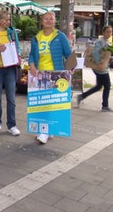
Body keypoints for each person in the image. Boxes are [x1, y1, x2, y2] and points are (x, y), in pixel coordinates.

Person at [28, 12, 72, 144]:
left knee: (50, 104)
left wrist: (69, 71)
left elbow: (69, 54)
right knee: (42, 103)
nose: (48, 21)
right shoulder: (36, 38)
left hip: (55, 75)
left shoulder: (60, 37)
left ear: (54, 21)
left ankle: (44, 131)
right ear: (42, 21)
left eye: (51, 19)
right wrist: (32, 66)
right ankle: (47, 129)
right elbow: (31, 55)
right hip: (39, 75)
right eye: (45, 19)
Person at [0, 10, 21, 137]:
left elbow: (17, 46)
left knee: (11, 98)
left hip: (10, 67)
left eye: (9, 20)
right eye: (6, 20)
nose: (8, 22)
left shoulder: (12, 32)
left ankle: (12, 124)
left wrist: (18, 56)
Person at [77, 26, 113, 113]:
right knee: (107, 86)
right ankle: (105, 106)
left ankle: (82, 96)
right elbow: (95, 53)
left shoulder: (105, 41)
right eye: (108, 32)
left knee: (99, 86)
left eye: (111, 32)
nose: (109, 34)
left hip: (101, 67)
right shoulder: (100, 41)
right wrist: (99, 63)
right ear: (103, 32)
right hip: (100, 68)